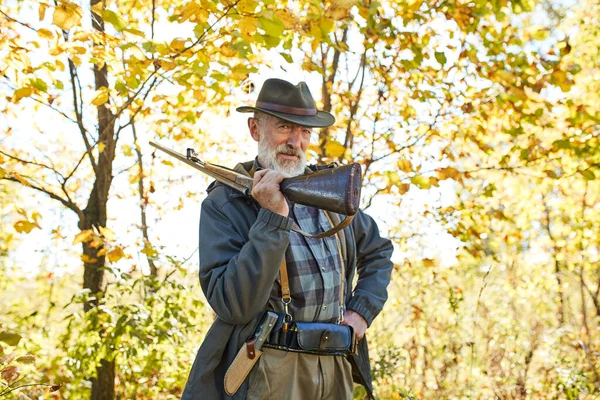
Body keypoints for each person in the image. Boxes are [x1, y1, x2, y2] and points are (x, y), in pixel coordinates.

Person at [181, 78, 393, 399]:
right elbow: (233, 305)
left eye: (304, 131)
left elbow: (379, 252)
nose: (295, 141)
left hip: (335, 363)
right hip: (270, 368)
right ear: (255, 129)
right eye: (284, 127)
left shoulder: (327, 193)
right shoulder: (224, 204)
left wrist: (361, 312)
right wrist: (273, 217)